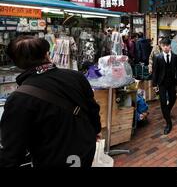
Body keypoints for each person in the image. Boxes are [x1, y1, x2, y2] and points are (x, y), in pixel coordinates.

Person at [0, 36, 101, 167]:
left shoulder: (19, 98)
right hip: (84, 149)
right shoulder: (76, 76)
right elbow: (93, 108)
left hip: (53, 158)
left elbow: (12, 149)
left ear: (16, 63)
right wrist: (95, 130)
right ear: (47, 54)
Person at [152, 38, 177, 135]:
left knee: (173, 99)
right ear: (161, 46)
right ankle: (168, 123)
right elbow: (155, 72)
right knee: (163, 102)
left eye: (167, 45)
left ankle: (166, 111)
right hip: (162, 83)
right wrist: (154, 84)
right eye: (164, 45)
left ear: (170, 46)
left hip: (171, 82)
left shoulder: (175, 56)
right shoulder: (157, 57)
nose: (166, 47)